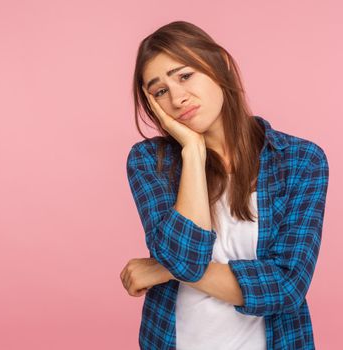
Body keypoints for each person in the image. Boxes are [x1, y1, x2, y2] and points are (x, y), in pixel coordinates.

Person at [119, 20, 330, 350]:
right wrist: (192, 150)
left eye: (184, 75)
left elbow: (287, 286)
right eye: (160, 91)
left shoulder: (300, 160)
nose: (177, 97)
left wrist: (163, 271)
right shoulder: (150, 162)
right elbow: (184, 258)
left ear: (220, 66)